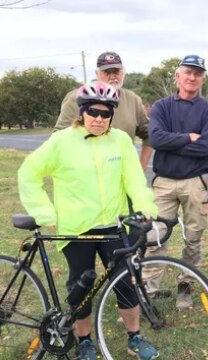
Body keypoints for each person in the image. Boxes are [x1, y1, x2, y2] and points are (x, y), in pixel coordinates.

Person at [18, 82, 159, 360]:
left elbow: (133, 179)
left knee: (125, 283)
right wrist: (44, 211)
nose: (98, 118)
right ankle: (84, 341)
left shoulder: (120, 140)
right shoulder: (62, 141)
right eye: (92, 112)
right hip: (77, 228)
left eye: (105, 114)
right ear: (82, 112)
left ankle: (135, 338)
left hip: (114, 226)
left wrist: (144, 207)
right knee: (81, 289)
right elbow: (28, 172)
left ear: (111, 116)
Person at [144, 54, 208, 309]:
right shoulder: (162, 106)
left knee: (193, 237)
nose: (192, 77)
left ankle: (186, 285)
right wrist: (188, 137)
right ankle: (148, 291)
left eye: (198, 73)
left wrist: (172, 142)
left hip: (195, 182)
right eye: (188, 72)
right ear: (178, 76)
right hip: (164, 182)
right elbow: (156, 139)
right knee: (155, 237)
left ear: (203, 78)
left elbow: (206, 147)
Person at [55, 51, 153, 171]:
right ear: (97, 74)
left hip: (121, 180)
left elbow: (149, 134)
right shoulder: (76, 98)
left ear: (123, 73)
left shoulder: (133, 100)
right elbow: (58, 137)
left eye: (116, 71)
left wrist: (140, 169)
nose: (112, 76)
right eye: (107, 72)